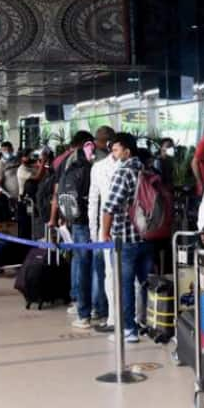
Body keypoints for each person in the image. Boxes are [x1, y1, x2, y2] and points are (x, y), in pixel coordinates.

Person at [101, 133, 153, 343]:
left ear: (127, 152)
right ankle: (151, 324)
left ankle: (129, 330)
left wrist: (104, 232)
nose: (114, 154)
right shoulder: (147, 170)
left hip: (126, 238)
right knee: (147, 283)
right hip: (148, 236)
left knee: (124, 285)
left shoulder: (123, 173)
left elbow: (110, 205)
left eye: (116, 150)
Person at [54, 135, 101, 329]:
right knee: (96, 265)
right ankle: (98, 307)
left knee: (82, 263)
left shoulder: (68, 163)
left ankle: (83, 310)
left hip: (77, 220)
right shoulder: (97, 167)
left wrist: (59, 216)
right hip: (95, 221)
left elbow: (59, 191)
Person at [88, 137, 120, 333]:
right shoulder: (98, 168)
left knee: (130, 277)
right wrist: (94, 231)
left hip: (129, 230)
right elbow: (93, 200)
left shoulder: (133, 166)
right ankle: (113, 318)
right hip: (106, 230)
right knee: (109, 275)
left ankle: (133, 318)